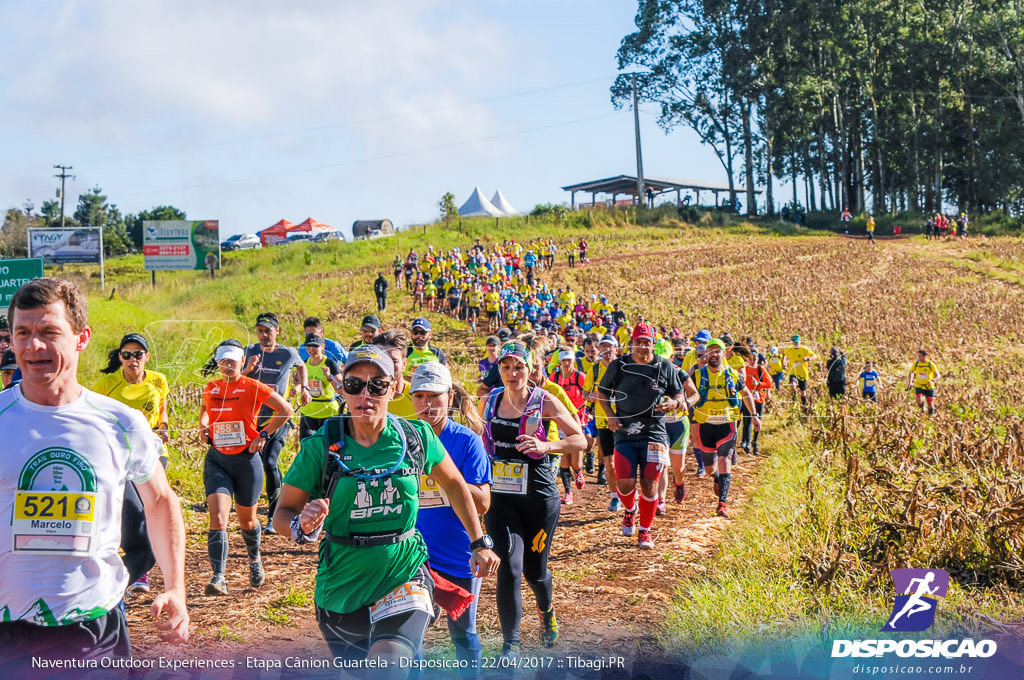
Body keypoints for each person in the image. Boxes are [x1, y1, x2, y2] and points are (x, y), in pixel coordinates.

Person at [272, 345, 499, 672]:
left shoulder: (415, 437)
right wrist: (300, 524)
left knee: (388, 665)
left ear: (393, 389)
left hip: (404, 570)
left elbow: (454, 484)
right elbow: (282, 513)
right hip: (342, 582)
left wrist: (479, 542)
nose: (366, 394)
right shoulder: (321, 445)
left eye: (377, 385)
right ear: (342, 389)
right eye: (355, 385)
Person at [0, 278, 188, 664]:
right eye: (22, 333)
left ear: (81, 338)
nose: (33, 346)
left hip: (92, 626)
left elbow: (160, 501)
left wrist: (176, 588)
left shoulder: (120, 422)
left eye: (49, 332)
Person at [481, 342, 585, 658]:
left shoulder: (545, 401)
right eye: (506, 367)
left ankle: (546, 610)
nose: (512, 374)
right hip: (500, 499)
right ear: (498, 369)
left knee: (534, 572)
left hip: (539, 499)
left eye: (519, 367)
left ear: (530, 369)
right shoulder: (490, 401)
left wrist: (546, 446)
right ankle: (510, 644)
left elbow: (580, 438)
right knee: (509, 566)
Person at [410, 363, 490, 676]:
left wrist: (447, 479)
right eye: (419, 396)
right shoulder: (404, 438)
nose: (427, 404)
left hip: (460, 552)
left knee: (463, 632)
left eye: (435, 396)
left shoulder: (467, 441)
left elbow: (483, 502)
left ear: (451, 396)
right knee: (409, 631)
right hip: (414, 554)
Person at [201, 341, 294, 594]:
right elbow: (205, 412)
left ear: (242, 362)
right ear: (218, 362)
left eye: (233, 361)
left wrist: (263, 435)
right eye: (223, 361)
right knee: (218, 517)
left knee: (248, 521)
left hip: (246, 461)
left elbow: (286, 410)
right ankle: (218, 577)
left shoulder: (252, 387)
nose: (228, 365)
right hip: (217, 459)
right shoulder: (210, 387)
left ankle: (254, 559)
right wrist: (203, 425)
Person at [597, 323, 691, 548]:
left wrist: (675, 402)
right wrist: (610, 415)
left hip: (655, 433)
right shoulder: (620, 365)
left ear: (653, 343)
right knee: (625, 484)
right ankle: (630, 509)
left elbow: (679, 392)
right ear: (632, 343)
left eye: (646, 343)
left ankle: (645, 530)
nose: (642, 347)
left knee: (650, 485)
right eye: (638, 342)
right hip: (625, 433)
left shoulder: (664, 366)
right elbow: (602, 392)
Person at [92, 332, 171, 593]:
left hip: (152, 452)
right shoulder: (107, 385)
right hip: (119, 456)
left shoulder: (159, 380)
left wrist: (164, 426)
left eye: (138, 354)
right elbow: (93, 417)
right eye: (126, 355)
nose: (132, 359)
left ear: (146, 357)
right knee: (130, 511)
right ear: (120, 358)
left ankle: (141, 572)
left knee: (152, 508)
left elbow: (162, 409)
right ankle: (127, 563)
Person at [244, 312, 310, 532]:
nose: (264, 335)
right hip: (253, 420)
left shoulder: (288, 353)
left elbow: (302, 366)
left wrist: (303, 387)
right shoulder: (249, 351)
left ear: (277, 331)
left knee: (270, 462)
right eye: (260, 331)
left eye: (268, 331)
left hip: (279, 417)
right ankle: (249, 515)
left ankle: (274, 516)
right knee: (252, 466)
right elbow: (234, 379)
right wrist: (247, 369)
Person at [692, 339, 760, 517]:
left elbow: (746, 393)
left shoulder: (733, 375)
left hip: (727, 424)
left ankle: (722, 503)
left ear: (724, 354)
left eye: (718, 351)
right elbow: (685, 390)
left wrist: (754, 416)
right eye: (711, 351)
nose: (714, 354)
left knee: (724, 461)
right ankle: (716, 478)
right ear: (706, 354)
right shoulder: (698, 375)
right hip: (705, 424)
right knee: (709, 468)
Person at [550, 348, 588, 505]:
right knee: (564, 458)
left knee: (576, 460)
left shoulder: (580, 377)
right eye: (564, 360)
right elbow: (548, 393)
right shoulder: (555, 377)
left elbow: (589, 394)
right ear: (559, 361)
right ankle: (568, 491)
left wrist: (589, 411)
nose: (566, 363)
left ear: (573, 361)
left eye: (569, 360)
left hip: (578, 419)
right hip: (560, 420)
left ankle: (578, 471)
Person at [298, 333, 344, 440]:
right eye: (309, 346)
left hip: (328, 413)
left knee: (330, 449)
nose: (312, 350)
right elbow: (297, 382)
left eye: (315, 346)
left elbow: (341, 387)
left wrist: (329, 377)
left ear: (322, 346)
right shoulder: (304, 364)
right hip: (308, 412)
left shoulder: (330, 363)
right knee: (307, 447)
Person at [374, 330, 418, 419]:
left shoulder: (417, 396)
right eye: (382, 359)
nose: (387, 365)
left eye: (393, 361)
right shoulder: (364, 395)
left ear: (404, 364)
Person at [740, 348, 773, 456]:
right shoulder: (744, 369)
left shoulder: (761, 369)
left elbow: (769, 383)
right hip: (747, 398)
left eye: (755, 358)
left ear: (758, 359)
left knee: (757, 421)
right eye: (751, 358)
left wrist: (758, 384)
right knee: (747, 421)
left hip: (759, 398)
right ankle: (747, 442)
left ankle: (755, 442)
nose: (753, 360)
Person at [782, 334, 816, 407]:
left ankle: (804, 405)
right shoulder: (790, 349)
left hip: (803, 373)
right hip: (793, 372)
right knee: (792, 385)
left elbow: (814, 356)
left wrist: (807, 359)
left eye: (797, 342)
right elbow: (784, 354)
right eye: (794, 342)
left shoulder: (805, 349)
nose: (796, 344)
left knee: (803, 392)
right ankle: (794, 401)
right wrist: (784, 362)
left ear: (800, 342)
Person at [907, 349, 940, 415]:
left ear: (925, 356)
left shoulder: (931, 364)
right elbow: (911, 372)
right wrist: (910, 382)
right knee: (918, 400)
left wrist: (933, 381)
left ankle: (930, 415)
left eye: (920, 356)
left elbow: (938, 375)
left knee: (930, 403)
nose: (919, 358)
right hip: (919, 385)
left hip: (929, 386)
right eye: (918, 356)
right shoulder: (916, 363)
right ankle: (923, 408)